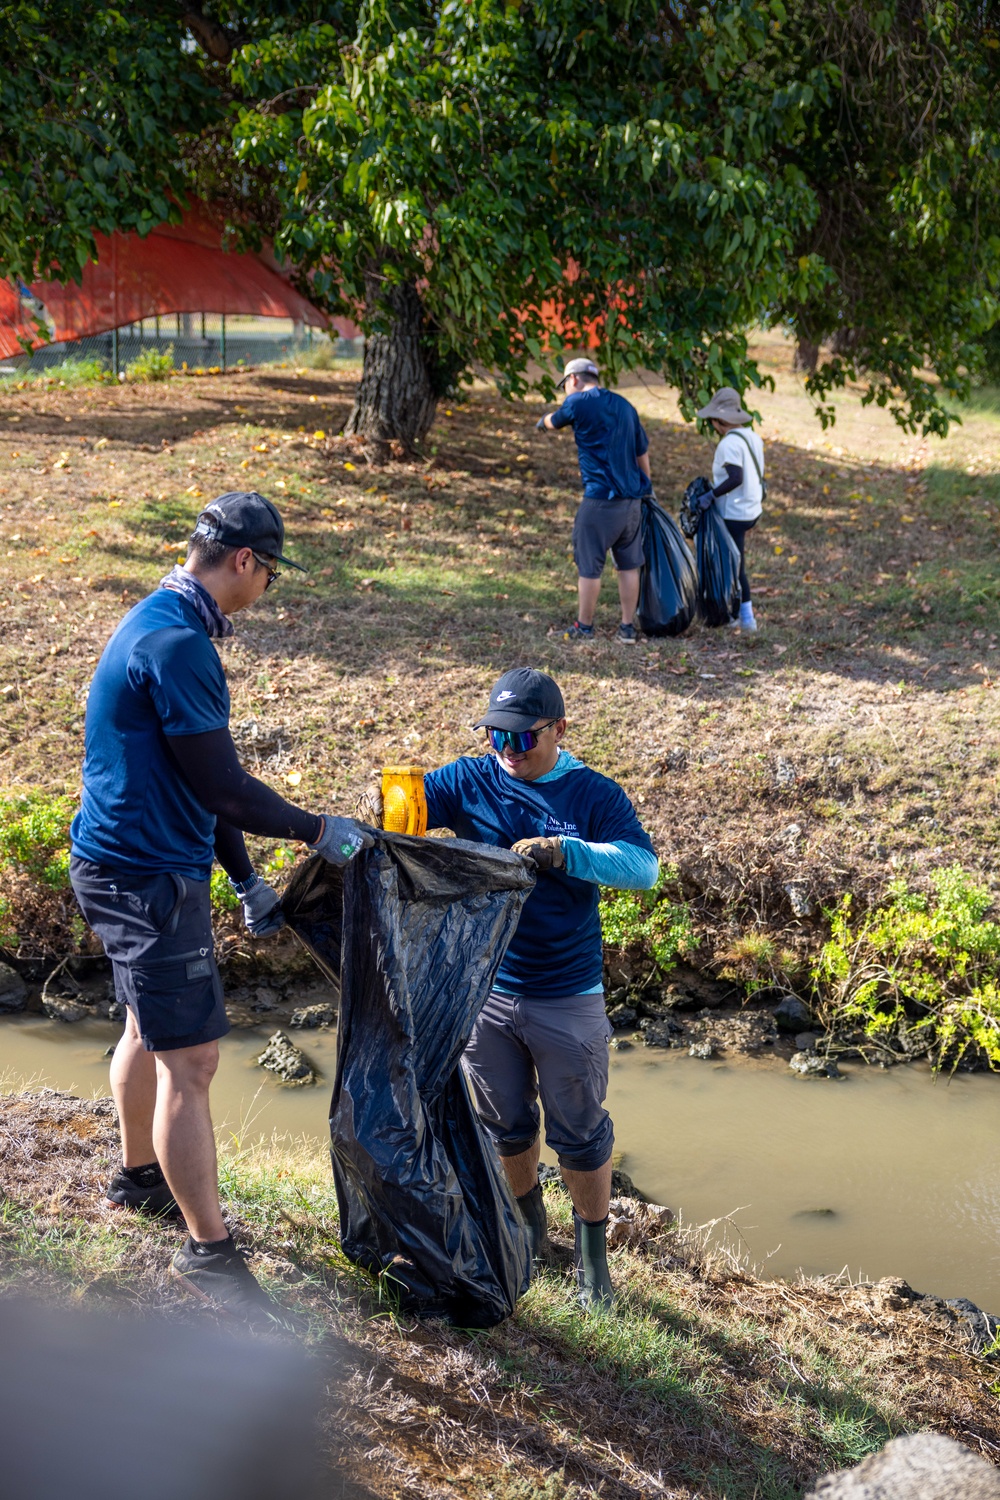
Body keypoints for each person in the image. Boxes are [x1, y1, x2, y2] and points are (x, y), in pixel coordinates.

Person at [69, 491, 371, 1320]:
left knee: (145, 1025)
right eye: (270, 571)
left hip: (117, 863)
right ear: (245, 561)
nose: (268, 587)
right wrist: (320, 832)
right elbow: (223, 789)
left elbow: (193, 786)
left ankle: (138, 1179)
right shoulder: (179, 647)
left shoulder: (159, 619)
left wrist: (246, 881)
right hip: (147, 878)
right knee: (192, 1062)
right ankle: (209, 1253)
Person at [422, 668, 658, 1310]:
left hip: (566, 992)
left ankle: (591, 1260)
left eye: (523, 740)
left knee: (580, 1131)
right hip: (486, 988)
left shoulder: (593, 795)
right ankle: (528, 1228)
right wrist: (392, 805)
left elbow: (644, 867)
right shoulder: (470, 779)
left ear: (559, 729)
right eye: (497, 738)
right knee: (506, 1124)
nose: (508, 753)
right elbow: (407, 814)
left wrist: (566, 852)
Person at [535, 357, 652, 645]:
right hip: (632, 502)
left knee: (589, 565)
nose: (565, 390)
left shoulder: (577, 403)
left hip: (599, 501)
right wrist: (646, 488)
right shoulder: (626, 406)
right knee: (628, 565)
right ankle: (627, 627)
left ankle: (584, 626)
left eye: (564, 384)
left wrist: (542, 421)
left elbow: (554, 421)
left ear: (573, 379)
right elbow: (642, 453)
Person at [695, 387, 765, 633]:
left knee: (735, 565)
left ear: (719, 421)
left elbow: (736, 477)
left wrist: (710, 495)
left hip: (735, 513)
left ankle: (745, 619)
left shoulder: (728, 444)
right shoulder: (752, 437)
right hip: (752, 509)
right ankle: (736, 613)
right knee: (734, 561)